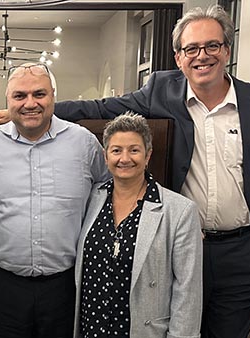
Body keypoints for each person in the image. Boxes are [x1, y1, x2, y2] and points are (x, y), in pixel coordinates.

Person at [0, 5, 250, 338]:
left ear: (227, 49)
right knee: (175, 323)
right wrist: (33, 112)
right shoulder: (162, 89)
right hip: (177, 240)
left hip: (242, 250)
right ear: (178, 57)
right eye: (191, 48)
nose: (202, 56)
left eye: (212, 46)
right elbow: (101, 107)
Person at [0, 63, 107, 338]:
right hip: (2, 286)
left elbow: (111, 189)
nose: (30, 103)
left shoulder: (84, 143)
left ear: (53, 96)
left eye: (39, 94)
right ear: (8, 101)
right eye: (19, 96)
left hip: (66, 285)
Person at [74, 113, 202, 338]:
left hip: (141, 330)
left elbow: (188, 291)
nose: (125, 158)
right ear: (105, 156)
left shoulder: (179, 211)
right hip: (91, 326)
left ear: (148, 155)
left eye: (134, 150)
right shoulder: (91, 199)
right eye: (116, 150)